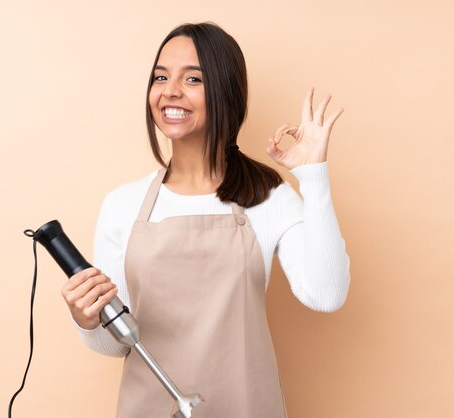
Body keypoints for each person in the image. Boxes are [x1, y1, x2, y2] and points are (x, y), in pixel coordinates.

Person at [60, 22, 350, 418]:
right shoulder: (122, 205)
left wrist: (313, 175)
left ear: (225, 92)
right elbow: (117, 344)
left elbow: (326, 294)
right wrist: (88, 319)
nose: (170, 91)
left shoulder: (267, 197)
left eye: (192, 78)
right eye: (161, 77)